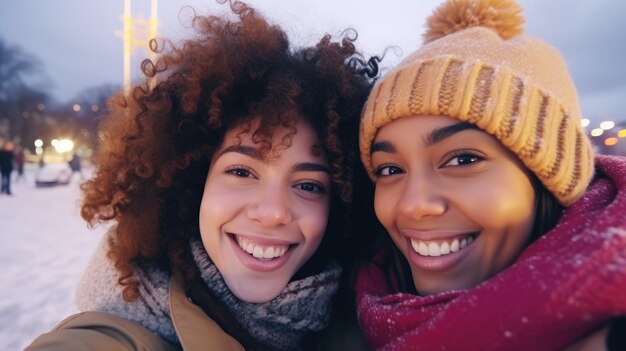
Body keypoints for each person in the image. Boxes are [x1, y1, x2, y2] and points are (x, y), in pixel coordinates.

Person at [26, 1, 375, 350]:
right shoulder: (118, 334)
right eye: (241, 171)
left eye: (308, 185)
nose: (272, 212)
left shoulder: (371, 318)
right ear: (191, 186)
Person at [354, 0, 626, 350]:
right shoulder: (351, 307)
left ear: (547, 178)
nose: (413, 205)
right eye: (390, 169)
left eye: (463, 160)